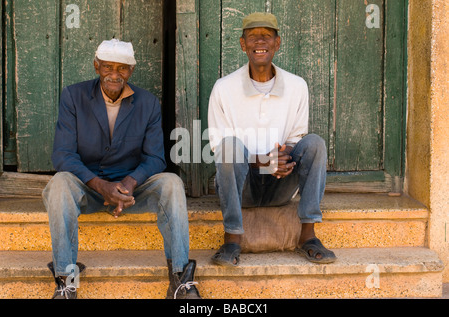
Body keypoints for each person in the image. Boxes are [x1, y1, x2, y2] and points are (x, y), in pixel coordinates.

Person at [43, 39, 200, 299]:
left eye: (122, 68)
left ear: (131, 71)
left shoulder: (147, 103)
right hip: (88, 187)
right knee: (60, 183)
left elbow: (155, 158)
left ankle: (180, 280)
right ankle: (67, 281)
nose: (114, 74)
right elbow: (63, 155)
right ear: (96, 66)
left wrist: (130, 182)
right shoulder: (74, 96)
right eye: (107, 67)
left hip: (130, 192)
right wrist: (99, 185)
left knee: (171, 182)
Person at [207, 13, 337, 267]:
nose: (260, 42)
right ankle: (232, 238)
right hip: (240, 187)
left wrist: (279, 159)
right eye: (253, 36)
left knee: (314, 144)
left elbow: (295, 138)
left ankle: (308, 236)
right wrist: (264, 162)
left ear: (277, 43)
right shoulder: (224, 88)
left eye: (266, 36)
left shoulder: (297, 86)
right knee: (230, 146)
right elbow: (219, 146)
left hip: (281, 185)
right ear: (243, 44)